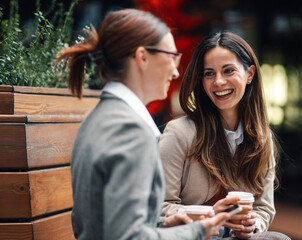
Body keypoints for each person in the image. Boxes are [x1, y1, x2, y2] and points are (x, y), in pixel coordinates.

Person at [56, 9, 231, 240]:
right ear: (143, 57)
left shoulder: (101, 118)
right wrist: (196, 231)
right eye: (171, 56)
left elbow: (113, 222)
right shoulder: (130, 130)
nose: (176, 70)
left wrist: (163, 223)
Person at [159, 32, 290, 239]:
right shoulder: (179, 133)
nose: (218, 82)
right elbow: (159, 206)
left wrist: (252, 224)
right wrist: (209, 216)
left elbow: (264, 208)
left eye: (228, 71)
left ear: (250, 74)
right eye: (209, 74)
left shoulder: (261, 139)